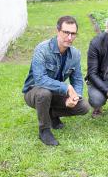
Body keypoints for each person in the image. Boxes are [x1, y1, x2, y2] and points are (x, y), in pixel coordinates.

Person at [22, 16, 90, 146]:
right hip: (34, 92)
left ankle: (51, 114)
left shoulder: (75, 54)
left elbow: (77, 79)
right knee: (44, 93)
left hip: (55, 92)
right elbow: (40, 79)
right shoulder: (42, 49)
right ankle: (44, 130)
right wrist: (67, 88)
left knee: (83, 106)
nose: (70, 37)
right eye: (66, 32)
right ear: (58, 31)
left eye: (73, 34)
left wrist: (75, 97)